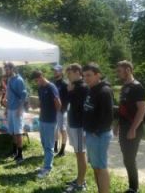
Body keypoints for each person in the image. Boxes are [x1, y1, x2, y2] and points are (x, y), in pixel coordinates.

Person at [115, 60, 145, 193]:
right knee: (126, 158)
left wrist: (133, 129)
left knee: (129, 158)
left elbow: (142, 109)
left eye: (119, 70)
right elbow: (122, 108)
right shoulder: (124, 86)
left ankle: (134, 188)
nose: (118, 73)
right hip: (124, 127)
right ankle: (132, 186)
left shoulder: (137, 87)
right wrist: (117, 124)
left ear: (128, 70)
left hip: (134, 128)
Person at [82, 63, 113, 193]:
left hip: (99, 135)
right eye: (84, 76)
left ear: (97, 75)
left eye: (89, 75)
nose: (86, 78)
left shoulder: (104, 91)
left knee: (101, 166)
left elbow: (108, 116)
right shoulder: (91, 89)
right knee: (95, 166)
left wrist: (96, 131)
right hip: (91, 133)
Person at [31, 70, 61, 178]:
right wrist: (36, 106)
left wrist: (55, 116)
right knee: (44, 143)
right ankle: (46, 165)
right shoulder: (40, 88)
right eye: (35, 81)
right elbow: (41, 101)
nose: (36, 82)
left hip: (50, 120)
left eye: (37, 80)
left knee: (49, 145)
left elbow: (58, 103)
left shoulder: (51, 87)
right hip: (42, 119)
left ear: (42, 76)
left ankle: (47, 168)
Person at [64, 63, 88, 192]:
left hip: (79, 125)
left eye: (70, 73)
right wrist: (70, 91)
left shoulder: (83, 87)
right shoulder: (74, 86)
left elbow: (79, 106)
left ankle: (81, 183)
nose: (68, 76)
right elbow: (68, 102)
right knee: (77, 153)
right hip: (73, 123)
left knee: (81, 153)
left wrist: (70, 91)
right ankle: (80, 178)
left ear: (78, 72)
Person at [4, 62, 27, 164]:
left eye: (8, 69)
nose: (6, 71)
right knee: (12, 131)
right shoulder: (9, 80)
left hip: (17, 109)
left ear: (12, 69)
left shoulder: (19, 80)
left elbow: (24, 95)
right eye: (6, 69)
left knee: (18, 132)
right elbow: (9, 94)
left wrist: (20, 109)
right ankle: (14, 151)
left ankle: (20, 154)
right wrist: (6, 107)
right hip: (10, 109)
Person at [52, 65, 68, 157]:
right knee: (55, 129)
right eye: (54, 71)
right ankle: (55, 147)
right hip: (54, 110)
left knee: (63, 129)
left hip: (62, 111)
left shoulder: (65, 84)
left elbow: (67, 99)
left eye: (57, 71)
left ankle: (62, 149)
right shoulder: (53, 83)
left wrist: (62, 109)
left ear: (61, 72)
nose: (55, 72)